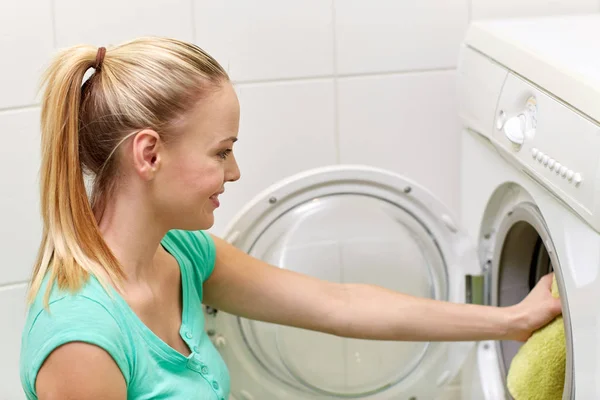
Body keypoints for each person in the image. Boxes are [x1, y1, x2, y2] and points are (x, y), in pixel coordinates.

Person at [19, 37, 562, 400]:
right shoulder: (83, 339)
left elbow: (341, 304)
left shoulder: (180, 253)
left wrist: (509, 320)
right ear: (149, 154)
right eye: (221, 151)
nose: (234, 172)